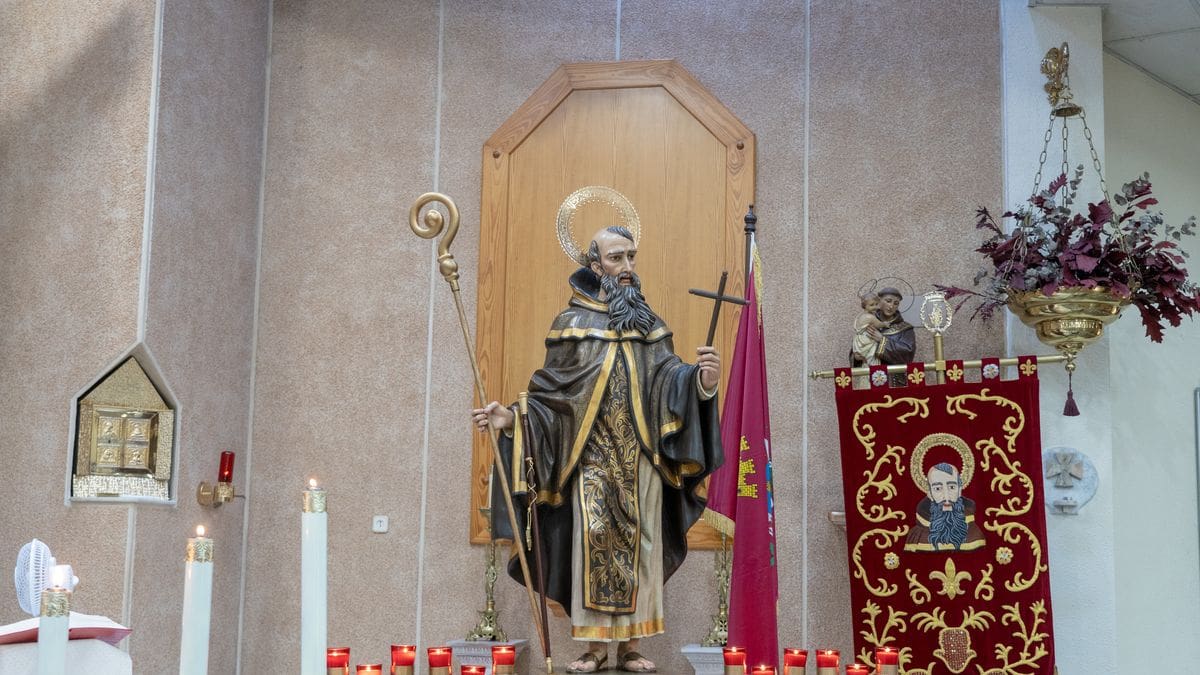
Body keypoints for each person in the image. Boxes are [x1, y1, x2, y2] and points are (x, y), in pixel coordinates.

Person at [473, 226, 723, 673]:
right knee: (591, 543)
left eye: (631, 256)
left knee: (642, 546)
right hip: (589, 459)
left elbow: (669, 378)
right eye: (616, 258)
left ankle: (630, 646)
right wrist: (511, 418)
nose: (627, 267)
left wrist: (701, 381)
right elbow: (552, 396)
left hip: (641, 458)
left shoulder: (648, 324)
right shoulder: (570, 325)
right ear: (595, 265)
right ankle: (593, 648)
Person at [904, 462, 986, 552]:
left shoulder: (974, 533)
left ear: (959, 490)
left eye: (952, 487)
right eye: (938, 488)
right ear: (929, 493)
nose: (946, 498)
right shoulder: (916, 536)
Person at [851, 293, 888, 366]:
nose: (875, 307)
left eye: (876, 304)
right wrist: (885, 324)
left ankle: (866, 365)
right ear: (864, 306)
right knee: (871, 352)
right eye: (872, 305)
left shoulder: (861, 315)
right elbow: (878, 324)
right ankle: (872, 366)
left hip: (859, 340)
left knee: (866, 356)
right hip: (866, 339)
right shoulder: (869, 317)